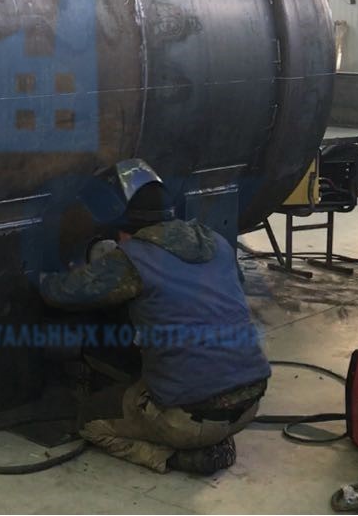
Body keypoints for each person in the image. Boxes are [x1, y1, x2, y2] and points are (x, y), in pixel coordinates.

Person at [38, 159, 270, 474]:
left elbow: (60, 293)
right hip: (250, 404)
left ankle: (177, 458)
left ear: (123, 226)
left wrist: (35, 277)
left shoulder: (133, 258)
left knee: (90, 419)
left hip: (189, 417)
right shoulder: (217, 243)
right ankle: (210, 438)